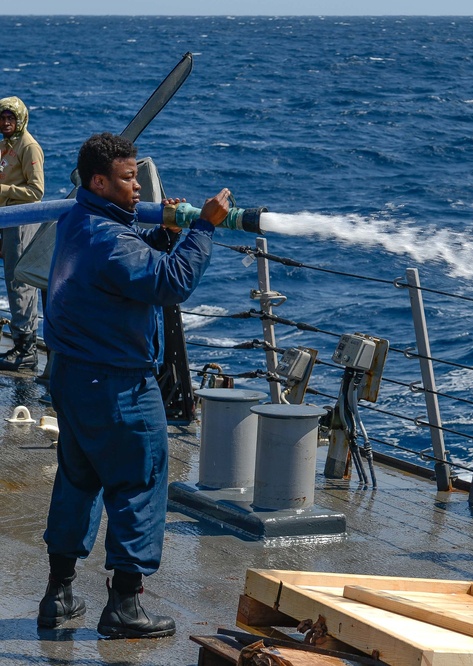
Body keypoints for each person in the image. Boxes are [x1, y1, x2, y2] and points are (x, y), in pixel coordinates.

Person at [37, 132, 231, 638]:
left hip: (70, 374)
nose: (138, 189)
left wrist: (166, 233)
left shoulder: (78, 221)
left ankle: (58, 595)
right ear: (99, 181)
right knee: (139, 482)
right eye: (128, 179)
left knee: (78, 480)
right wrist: (202, 229)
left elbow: (128, 273)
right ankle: (124, 606)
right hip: (117, 383)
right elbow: (169, 283)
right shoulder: (111, 238)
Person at [0, 96, 43, 371]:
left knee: (20, 283)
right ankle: (20, 342)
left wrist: (3, 192)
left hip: (22, 222)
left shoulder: (29, 147)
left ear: (20, 119)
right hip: (6, 221)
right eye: (2, 118)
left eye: (10, 118)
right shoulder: (7, 145)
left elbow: (36, 192)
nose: (5, 123)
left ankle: (26, 349)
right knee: (12, 280)